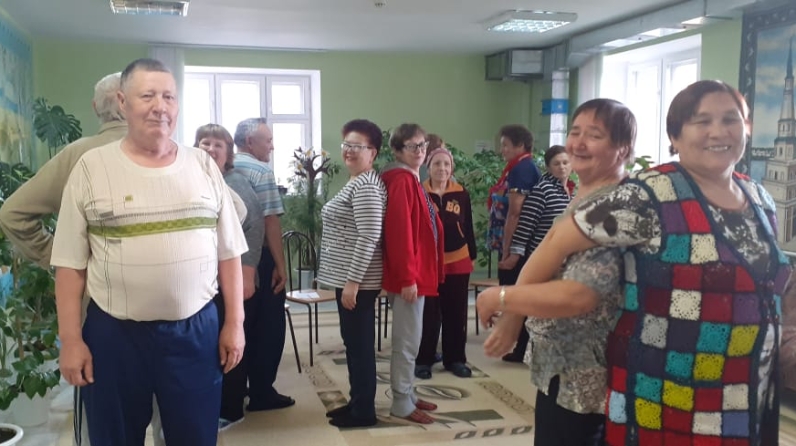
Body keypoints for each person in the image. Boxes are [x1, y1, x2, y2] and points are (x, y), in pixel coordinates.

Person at [485, 80, 791, 445]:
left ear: (747, 126)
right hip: (670, 395)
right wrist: (507, 304)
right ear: (675, 136)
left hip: (747, 392)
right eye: (702, 121)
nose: (718, 131)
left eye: (730, 119)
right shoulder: (647, 197)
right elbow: (558, 242)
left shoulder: (758, 197)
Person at [51, 58, 247, 446]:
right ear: (122, 102)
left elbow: (229, 253)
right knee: (115, 436)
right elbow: (70, 265)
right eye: (148, 96)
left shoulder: (203, 165)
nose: (161, 106)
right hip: (115, 334)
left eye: (169, 97)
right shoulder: (92, 167)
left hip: (195, 331)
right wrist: (71, 340)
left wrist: (235, 323)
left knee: (195, 435)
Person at [0, 72, 170, 446]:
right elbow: (233, 214)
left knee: (108, 424)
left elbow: (13, 214)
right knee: (173, 419)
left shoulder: (77, 154)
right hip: (172, 314)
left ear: (97, 107)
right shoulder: (171, 151)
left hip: (101, 314)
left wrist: (66, 260)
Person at [477, 99, 636, 446]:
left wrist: (503, 298)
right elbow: (546, 252)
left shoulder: (618, 204)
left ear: (623, 148)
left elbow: (580, 293)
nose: (578, 143)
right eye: (575, 132)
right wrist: (513, 316)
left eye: (594, 135)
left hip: (590, 370)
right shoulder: (583, 194)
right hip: (560, 363)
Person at [317, 119, 387, 428]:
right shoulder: (357, 180)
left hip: (357, 282)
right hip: (350, 280)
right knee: (354, 345)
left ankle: (364, 412)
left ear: (373, 152)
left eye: (357, 146)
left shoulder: (367, 186)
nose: (349, 150)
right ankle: (357, 402)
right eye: (347, 144)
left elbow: (369, 236)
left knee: (359, 347)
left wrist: (353, 282)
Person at [194, 123, 264, 431]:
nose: (210, 148)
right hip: (208, 281)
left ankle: (231, 408)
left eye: (217, 144)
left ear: (228, 153)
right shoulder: (200, 178)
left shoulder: (235, 182)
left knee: (231, 341)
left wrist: (246, 273)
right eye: (204, 143)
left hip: (234, 279)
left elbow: (254, 226)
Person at [381, 123, 444, 424]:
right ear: (397, 150)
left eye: (422, 145)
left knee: (412, 338)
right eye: (411, 146)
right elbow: (400, 233)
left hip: (417, 272)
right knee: (406, 342)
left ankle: (408, 393)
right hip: (409, 276)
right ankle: (401, 402)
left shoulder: (411, 177)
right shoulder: (401, 180)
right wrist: (408, 278)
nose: (419, 151)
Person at [232, 117, 294, 411]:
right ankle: (262, 392)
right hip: (260, 258)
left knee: (238, 322)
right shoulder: (261, 171)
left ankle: (235, 389)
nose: (272, 146)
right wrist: (281, 266)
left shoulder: (223, 167)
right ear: (249, 142)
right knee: (269, 327)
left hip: (230, 259)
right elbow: (270, 222)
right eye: (267, 140)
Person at [416, 141, 477, 379]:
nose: (442, 168)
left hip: (458, 261)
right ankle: (424, 359)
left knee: (456, 313)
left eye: (446, 164)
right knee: (428, 314)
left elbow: (468, 225)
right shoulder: (419, 192)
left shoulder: (461, 193)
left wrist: (472, 254)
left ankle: (455, 359)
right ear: (428, 167)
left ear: (452, 168)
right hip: (428, 263)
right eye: (437, 164)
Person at [487, 124, 541, 362]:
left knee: (514, 295)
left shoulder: (522, 169)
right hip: (515, 242)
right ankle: (520, 347)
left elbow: (515, 212)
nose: (502, 150)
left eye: (506, 145)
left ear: (520, 146)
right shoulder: (519, 167)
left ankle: (520, 348)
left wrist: (508, 250)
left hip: (517, 244)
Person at [501, 145, 574, 274]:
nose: (562, 167)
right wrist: (514, 255)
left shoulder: (572, 192)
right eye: (556, 163)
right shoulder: (543, 189)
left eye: (565, 162)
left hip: (564, 259)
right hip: (542, 258)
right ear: (548, 168)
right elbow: (526, 224)